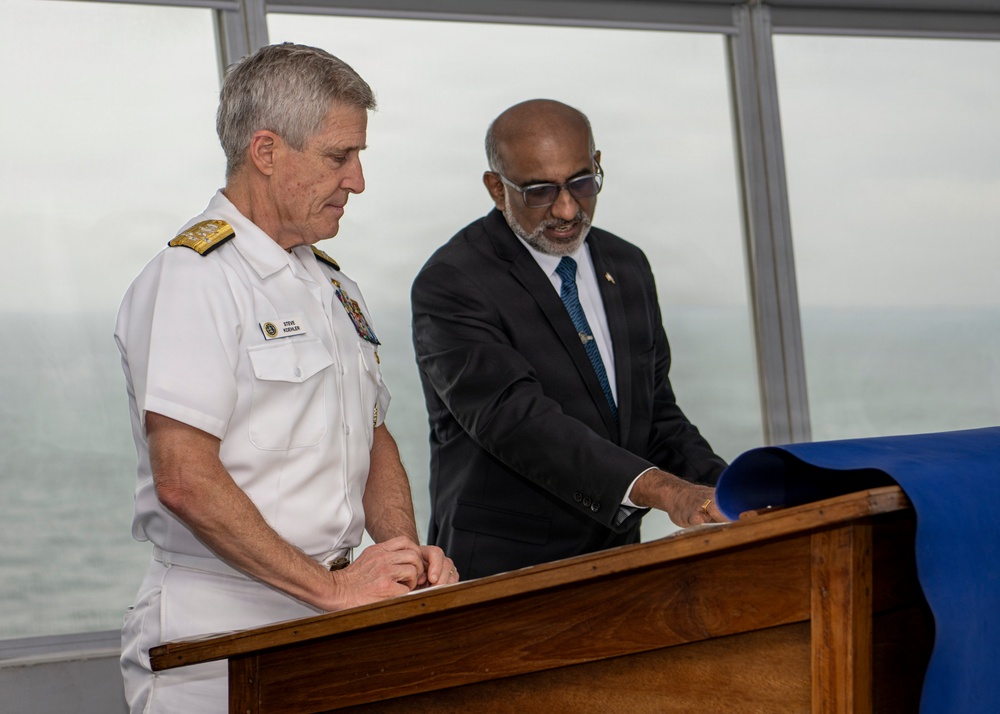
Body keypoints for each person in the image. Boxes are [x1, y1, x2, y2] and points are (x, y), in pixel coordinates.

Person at [115, 43, 457, 713]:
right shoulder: (195, 278)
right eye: (339, 157)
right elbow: (184, 478)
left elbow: (372, 436)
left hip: (330, 616)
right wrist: (332, 590)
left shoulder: (329, 284)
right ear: (266, 152)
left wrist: (398, 555)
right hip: (220, 628)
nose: (357, 180)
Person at [411, 98, 728, 580]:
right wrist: (663, 490)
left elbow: (655, 414)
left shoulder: (627, 265)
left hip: (618, 561)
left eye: (581, 182)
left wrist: (732, 490)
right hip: (503, 573)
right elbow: (518, 421)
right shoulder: (453, 282)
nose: (566, 208)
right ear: (497, 189)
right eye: (539, 191)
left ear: (598, 165)